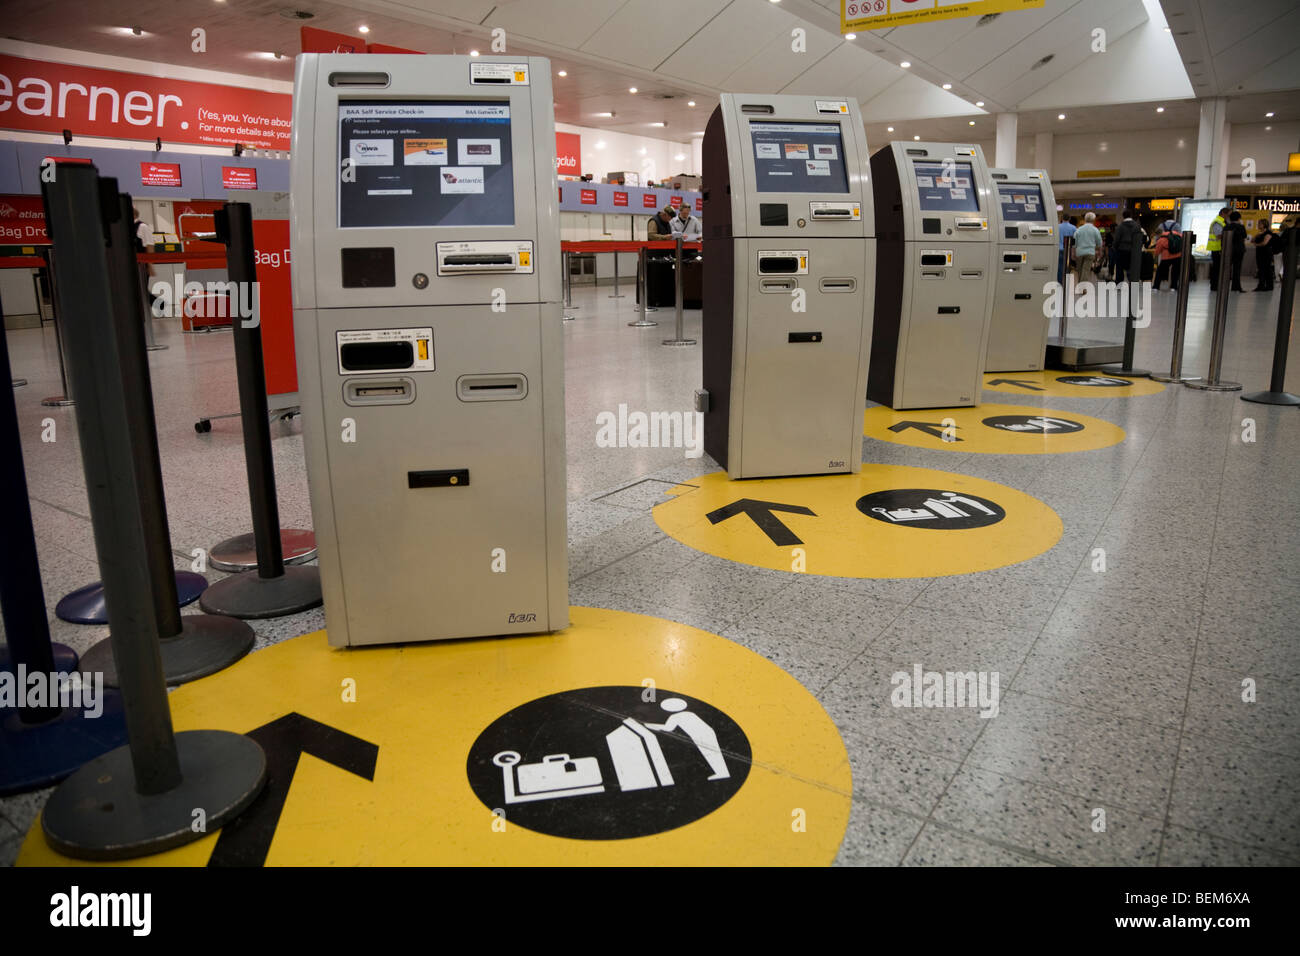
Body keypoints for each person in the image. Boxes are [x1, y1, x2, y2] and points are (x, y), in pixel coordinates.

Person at [1111, 209, 1144, 283]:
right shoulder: (1136, 226)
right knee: (1132, 267)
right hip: (1133, 250)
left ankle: (1119, 283)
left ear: (1123, 216)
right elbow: (1139, 238)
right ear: (1131, 215)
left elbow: (1117, 239)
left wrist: (1114, 247)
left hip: (1121, 250)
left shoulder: (1120, 226)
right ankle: (1132, 282)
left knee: (1119, 267)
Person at [1072, 212, 1102, 286]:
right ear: (1094, 220)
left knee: (1079, 270)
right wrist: (1099, 251)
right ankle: (1082, 286)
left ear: (1085, 219)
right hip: (1090, 252)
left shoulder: (1079, 229)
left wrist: (1073, 253)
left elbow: (1074, 243)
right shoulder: (1095, 230)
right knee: (1085, 270)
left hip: (1079, 252)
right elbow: (1099, 243)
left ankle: (1081, 285)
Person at [1151, 223, 1183, 292]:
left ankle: (1156, 286)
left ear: (1158, 234)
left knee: (1159, 271)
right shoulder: (1175, 233)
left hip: (1166, 257)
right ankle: (1173, 287)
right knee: (1175, 272)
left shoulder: (1161, 239)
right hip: (1178, 256)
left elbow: (1157, 252)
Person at [1224, 211, 1248, 292]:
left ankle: (1224, 286)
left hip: (1229, 250)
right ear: (1239, 218)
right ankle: (1236, 286)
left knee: (1227, 269)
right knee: (1237, 269)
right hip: (1239, 250)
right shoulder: (1241, 227)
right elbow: (1245, 236)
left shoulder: (1227, 227)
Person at [1207, 207, 1228, 291]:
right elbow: (1218, 235)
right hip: (1217, 248)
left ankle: (1216, 285)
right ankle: (1214, 285)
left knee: (1218, 267)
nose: (1228, 217)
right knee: (1217, 268)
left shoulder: (1222, 222)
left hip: (1218, 248)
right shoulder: (1218, 222)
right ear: (1223, 213)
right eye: (1228, 215)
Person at [1252, 220, 1276, 292]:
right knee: (1261, 269)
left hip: (1266, 253)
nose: (1258, 225)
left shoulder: (1268, 233)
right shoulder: (1260, 233)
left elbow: (1265, 243)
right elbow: (1252, 240)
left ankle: (1269, 285)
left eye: (1260, 224)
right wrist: (1256, 236)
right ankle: (1261, 285)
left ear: (1264, 225)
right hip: (1259, 253)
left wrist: (1257, 244)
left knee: (1267, 269)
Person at [1057, 214, 1077, 285]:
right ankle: (1066, 282)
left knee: (1059, 267)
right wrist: (1074, 252)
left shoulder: (1057, 227)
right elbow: (1075, 241)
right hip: (1068, 250)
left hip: (1058, 249)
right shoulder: (1073, 228)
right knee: (1068, 267)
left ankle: (1060, 282)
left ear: (1062, 218)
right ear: (1069, 218)